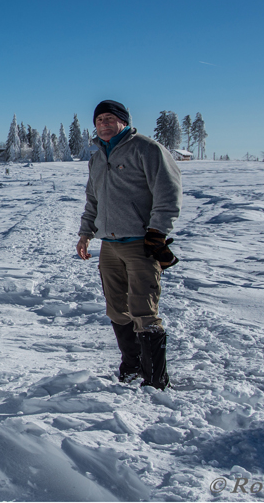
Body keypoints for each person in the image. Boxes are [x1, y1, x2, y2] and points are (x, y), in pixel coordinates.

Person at [76, 100, 181, 390]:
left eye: (110, 118)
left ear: (124, 121)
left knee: (143, 309)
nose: (104, 124)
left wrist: (158, 233)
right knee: (117, 308)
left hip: (141, 244)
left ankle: (155, 378)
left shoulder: (146, 149)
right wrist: (85, 234)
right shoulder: (97, 158)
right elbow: (93, 200)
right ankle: (131, 366)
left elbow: (168, 193)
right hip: (109, 245)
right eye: (99, 120)